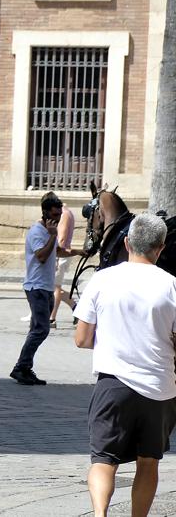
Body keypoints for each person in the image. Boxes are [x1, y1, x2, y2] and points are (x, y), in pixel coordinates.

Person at [73, 213, 176, 517]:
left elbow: (81, 338)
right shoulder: (172, 285)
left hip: (113, 384)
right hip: (160, 388)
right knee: (148, 461)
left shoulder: (103, 279)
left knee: (103, 460)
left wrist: (111, 340)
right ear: (161, 247)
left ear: (128, 242)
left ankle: (100, 514)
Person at [10, 191, 62, 386]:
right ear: (46, 213)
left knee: (36, 329)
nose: (58, 218)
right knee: (41, 330)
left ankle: (25, 368)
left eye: (60, 214)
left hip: (46, 287)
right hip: (36, 287)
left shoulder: (49, 232)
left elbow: (56, 251)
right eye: (55, 215)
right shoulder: (36, 232)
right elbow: (41, 256)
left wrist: (79, 252)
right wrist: (52, 236)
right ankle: (21, 367)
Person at [50, 203, 82, 327]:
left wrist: (57, 257)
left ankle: (51, 318)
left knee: (55, 287)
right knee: (53, 286)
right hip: (61, 254)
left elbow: (62, 238)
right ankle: (76, 307)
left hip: (60, 254)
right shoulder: (67, 212)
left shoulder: (63, 214)